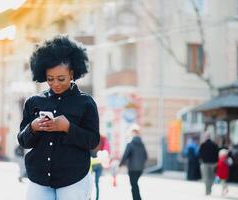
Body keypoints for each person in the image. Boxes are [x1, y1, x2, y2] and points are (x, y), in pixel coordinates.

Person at [17, 35, 100, 200]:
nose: (55, 83)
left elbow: (93, 141)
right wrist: (33, 127)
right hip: (38, 178)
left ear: (72, 73)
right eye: (50, 79)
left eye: (61, 78)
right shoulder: (33, 102)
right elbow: (23, 141)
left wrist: (68, 128)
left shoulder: (86, 102)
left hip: (74, 179)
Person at [119, 124, 148, 200]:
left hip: (132, 168)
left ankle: (137, 198)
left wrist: (120, 165)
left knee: (133, 185)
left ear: (132, 133)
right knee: (135, 184)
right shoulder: (142, 144)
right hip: (140, 169)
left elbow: (125, 156)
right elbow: (146, 156)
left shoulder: (130, 144)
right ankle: (138, 198)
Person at [90, 134, 110, 200]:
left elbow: (106, 148)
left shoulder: (102, 138)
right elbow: (106, 149)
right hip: (95, 163)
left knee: (94, 183)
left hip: (95, 163)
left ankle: (94, 198)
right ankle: (94, 198)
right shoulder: (102, 138)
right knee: (95, 183)